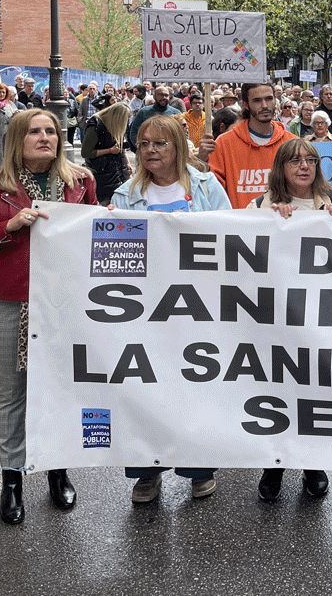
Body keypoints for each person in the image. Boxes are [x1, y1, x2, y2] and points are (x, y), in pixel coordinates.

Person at [0, 109, 96, 524]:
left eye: (51, 130)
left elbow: (98, 229)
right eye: (35, 131)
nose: (45, 137)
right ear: (18, 138)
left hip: (64, 304)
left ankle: (57, 470)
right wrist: (8, 226)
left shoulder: (79, 182)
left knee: (58, 387)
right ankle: (12, 479)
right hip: (9, 301)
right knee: (13, 393)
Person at [110, 114, 231, 502]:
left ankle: (198, 467)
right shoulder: (124, 196)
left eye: (159, 143)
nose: (149, 150)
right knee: (146, 387)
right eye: (143, 143)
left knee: (196, 384)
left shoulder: (207, 187)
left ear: (178, 147)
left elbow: (232, 237)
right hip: (145, 311)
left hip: (198, 307)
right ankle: (147, 469)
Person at [250, 137, 332, 501]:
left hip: (321, 318)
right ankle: (273, 465)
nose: (303, 166)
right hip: (276, 317)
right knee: (277, 390)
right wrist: (269, 220)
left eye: (310, 160)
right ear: (282, 168)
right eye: (295, 161)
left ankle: (312, 463)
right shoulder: (261, 204)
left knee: (313, 393)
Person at [202, 83, 298, 208]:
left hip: (281, 223)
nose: (264, 105)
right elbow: (212, 192)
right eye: (257, 100)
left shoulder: (292, 142)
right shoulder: (224, 143)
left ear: (275, 100)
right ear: (245, 104)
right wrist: (201, 160)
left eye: (269, 99)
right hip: (239, 224)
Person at [81, 102, 133, 205]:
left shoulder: (115, 125)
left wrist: (127, 163)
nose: (125, 122)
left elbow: (120, 145)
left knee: (120, 202)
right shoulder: (95, 125)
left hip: (118, 170)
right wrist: (109, 150)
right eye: (124, 120)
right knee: (107, 205)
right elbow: (86, 152)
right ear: (117, 117)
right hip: (102, 173)